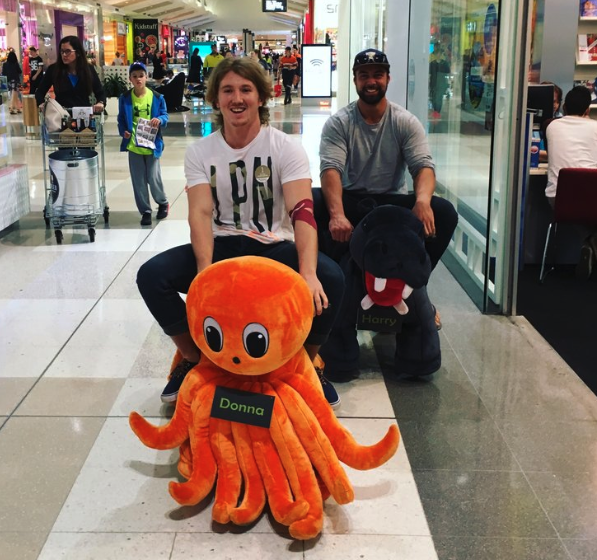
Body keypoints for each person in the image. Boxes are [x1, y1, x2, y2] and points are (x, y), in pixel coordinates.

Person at [136, 57, 344, 408]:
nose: (237, 98)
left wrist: (307, 273)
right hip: (223, 246)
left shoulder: (285, 147)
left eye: (246, 89)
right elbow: (200, 214)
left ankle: (306, 362)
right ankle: (193, 358)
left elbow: (302, 211)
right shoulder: (200, 152)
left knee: (332, 278)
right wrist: (205, 274)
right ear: (216, 99)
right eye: (228, 90)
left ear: (260, 97)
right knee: (151, 276)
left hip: (273, 247)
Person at [318, 48, 458, 330]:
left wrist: (422, 200)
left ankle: (415, 288)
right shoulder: (340, 123)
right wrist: (336, 214)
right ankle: (329, 293)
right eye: (364, 75)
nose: (371, 81)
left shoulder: (404, 121)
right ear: (355, 80)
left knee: (443, 212)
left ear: (388, 78)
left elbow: (423, 166)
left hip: (392, 206)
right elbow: (330, 168)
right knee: (312, 205)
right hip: (354, 202)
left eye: (378, 75)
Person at [545, 85, 597, 278]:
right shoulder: (595, 127)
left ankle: (589, 243)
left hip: (559, 200)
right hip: (593, 200)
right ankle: (591, 243)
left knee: (581, 212)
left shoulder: (552, 126)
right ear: (587, 110)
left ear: (564, 107)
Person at [117, 62, 169, 227]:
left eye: (141, 75)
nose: (138, 79)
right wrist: (123, 132)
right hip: (134, 145)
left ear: (147, 77)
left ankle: (162, 202)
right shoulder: (125, 98)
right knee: (138, 181)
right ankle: (145, 211)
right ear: (130, 79)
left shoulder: (157, 97)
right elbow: (121, 120)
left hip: (152, 145)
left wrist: (159, 120)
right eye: (135, 76)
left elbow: (165, 116)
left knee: (153, 178)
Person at [35, 36, 106, 113]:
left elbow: (100, 92)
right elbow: (40, 92)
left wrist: (100, 103)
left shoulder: (88, 69)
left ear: (78, 53)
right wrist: (41, 104)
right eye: (62, 51)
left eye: (68, 51)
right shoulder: (54, 69)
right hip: (61, 115)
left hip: (84, 115)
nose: (64, 55)